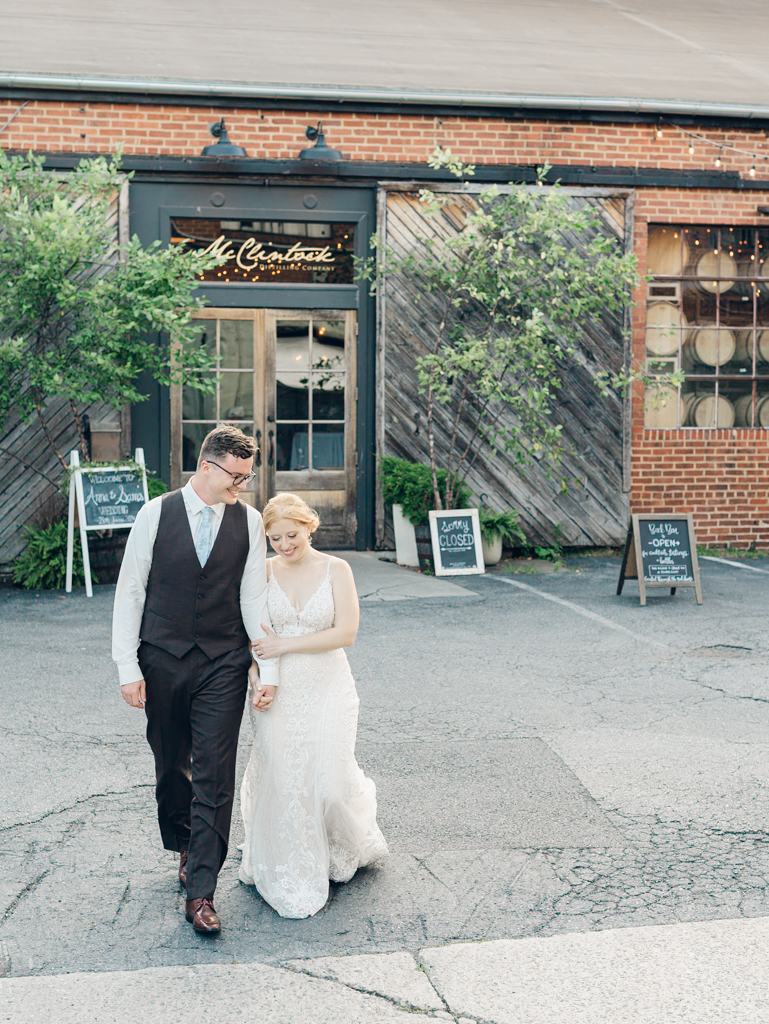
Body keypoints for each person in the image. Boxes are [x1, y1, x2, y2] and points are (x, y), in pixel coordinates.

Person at [112, 423, 278, 935]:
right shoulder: (153, 514)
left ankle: (202, 888)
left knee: (214, 773)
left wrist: (265, 666)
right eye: (236, 477)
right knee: (170, 766)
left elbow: (252, 598)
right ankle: (184, 840)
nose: (241, 487)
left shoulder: (247, 523)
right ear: (206, 467)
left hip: (223, 660)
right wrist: (127, 666)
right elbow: (130, 592)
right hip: (162, 656)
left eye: (247, 479)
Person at [239, 492, 388, 918]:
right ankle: (291, 859)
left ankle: (340, 845)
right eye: (275, 538)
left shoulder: (336, 569)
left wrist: (286, 643)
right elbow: (250, 638)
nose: (285, 545)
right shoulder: (261, 574)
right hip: (278, 689)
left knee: (329, 782)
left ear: (309, 526)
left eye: (292, 535)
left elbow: (346, 633)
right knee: (285, 779)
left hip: (329, 687)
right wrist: (256, 680)